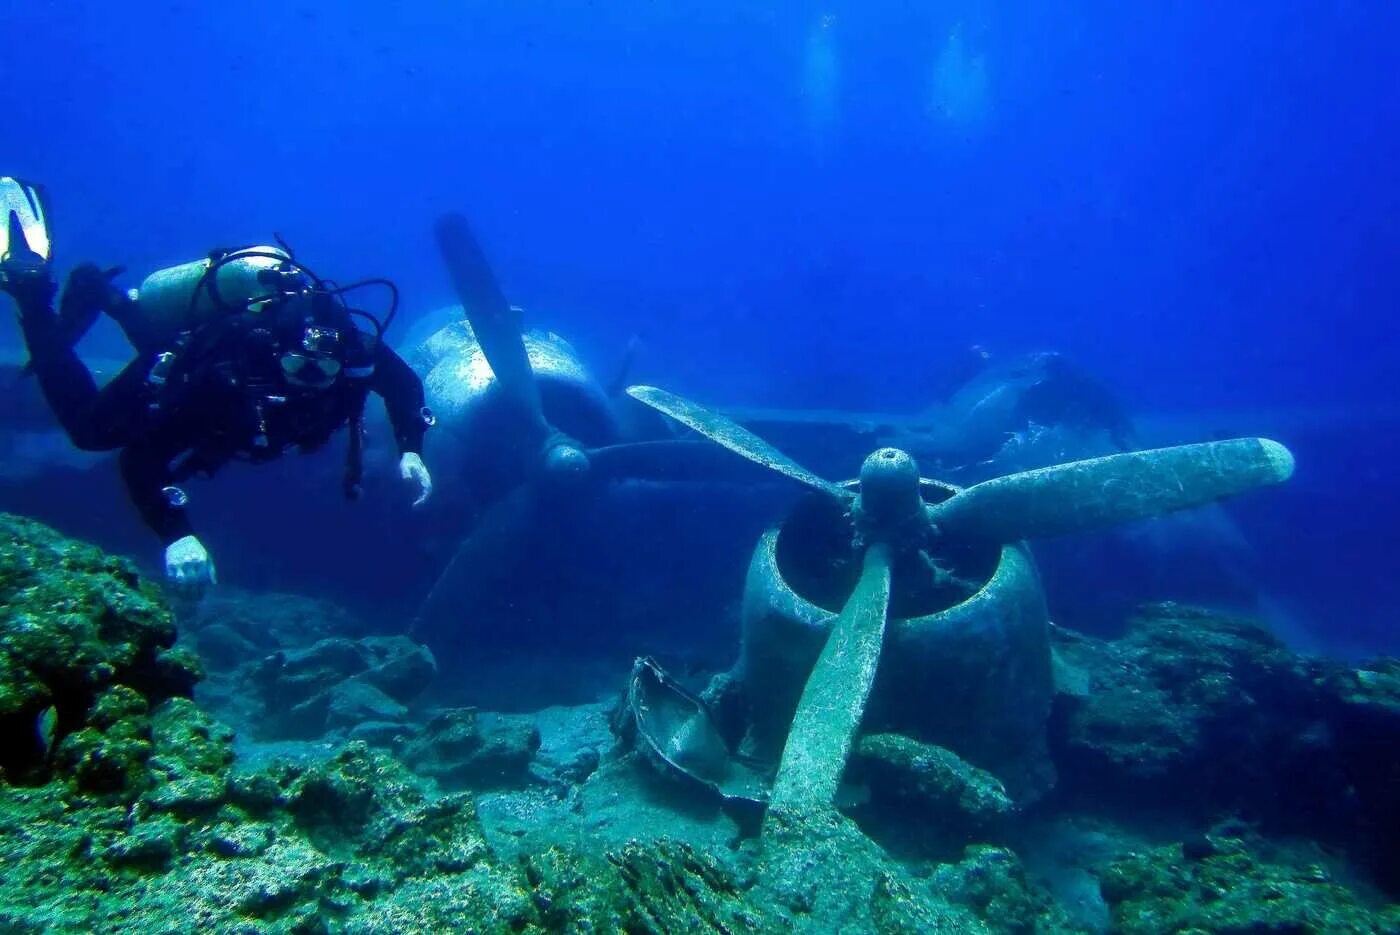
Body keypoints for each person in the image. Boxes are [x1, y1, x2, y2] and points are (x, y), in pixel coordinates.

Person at [0, 185, 433, 591]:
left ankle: (110, 298)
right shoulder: (225, 376)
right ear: (273, 353)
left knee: (155, 344)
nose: (310, 380)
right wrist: (177, 535)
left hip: (220, 359)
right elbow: (140, 459)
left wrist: (410, 448)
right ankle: (32, 292)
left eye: (324, 371)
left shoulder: (356, 354)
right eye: (297, 365)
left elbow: (404, 387)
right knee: (92, 433)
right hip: (194, 361)